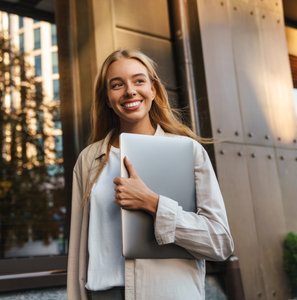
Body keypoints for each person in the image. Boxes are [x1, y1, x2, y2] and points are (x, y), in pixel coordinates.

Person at [67, 49, 234, 300]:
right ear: (107, 99)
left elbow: (220, 243)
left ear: (153, 90)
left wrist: (153, 204)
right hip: (104, 294)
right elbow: (79, 254)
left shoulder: (187, 151)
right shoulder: (89, 159)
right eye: (117, 85)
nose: (130, 91)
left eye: (138, 81)